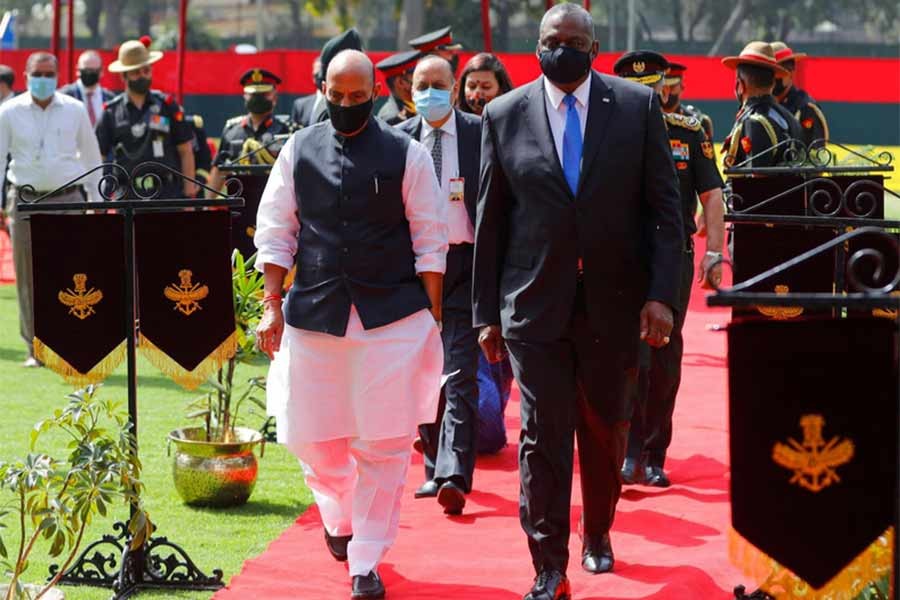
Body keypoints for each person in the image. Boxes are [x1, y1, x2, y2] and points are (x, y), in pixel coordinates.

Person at [473, 5, 683, 598]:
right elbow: (490, 223)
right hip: (532, 306)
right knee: (542, 433)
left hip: (614, 306)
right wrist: (485, 314)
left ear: (593, 48)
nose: (560, 49)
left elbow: (666, 214)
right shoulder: (503, 115)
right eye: (550, 40)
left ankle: (598, 532)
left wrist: (662, 297)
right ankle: (548, 563)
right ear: (536, 46)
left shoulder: (637, 109)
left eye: (573, 41)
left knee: (606, 426)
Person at [255, 49, 447, 600]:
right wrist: (272, 302)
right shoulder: (297, 149)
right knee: (310, 438)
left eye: (356, 97)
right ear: (322, 90)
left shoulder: (405, 154)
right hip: (315, 314)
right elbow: (275, 231)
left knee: (384, 444)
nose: (344, 105)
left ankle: (366, 558)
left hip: (391, 320)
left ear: (376, 95)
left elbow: (429, 238)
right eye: (335, 96)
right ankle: (338, 512)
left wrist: (432, 315)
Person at [613, 51, 725, 489]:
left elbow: (712, 195)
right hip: (620, 258)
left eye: (653, 85)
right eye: (635, 87)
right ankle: (627, 450)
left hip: (670, 257)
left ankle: (655, 452)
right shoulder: (604, 134)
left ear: (665, 86)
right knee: (625, 355)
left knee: (663, 355)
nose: (647, 94)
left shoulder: (687, 131)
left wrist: (715, 252)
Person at [396, 54, 482, 515]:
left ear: (454, 89)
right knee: (422, 374)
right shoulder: (397, 140)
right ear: (411, 91)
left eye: (438, 84)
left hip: (464, 265)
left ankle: (454, 475)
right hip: (413, 270)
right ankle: (433, 464)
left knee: (461, 373)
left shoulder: (479, 134)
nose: (429, 92)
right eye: (421, 84)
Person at [0, 52, 103, 368]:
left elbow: (90, 156)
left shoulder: (73, 110)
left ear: (58, 76)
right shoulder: (8, 111)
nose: (43, 79)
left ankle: (69, 342)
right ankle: (35, 347)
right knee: (28, 274)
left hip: (68, 199)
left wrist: (97, 202)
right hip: (25, 200)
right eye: (37, 73)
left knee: (71, 272)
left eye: (49, 73)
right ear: (26, 75)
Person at [95, 38, 196, 199]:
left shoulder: (168, 106)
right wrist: (97, 197)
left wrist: (190, 193)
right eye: (136, 72)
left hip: (166, 194)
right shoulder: (111, 112)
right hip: (127, 195)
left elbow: (185, 150)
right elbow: (98, 157)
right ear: (123, 76)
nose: (142, 76)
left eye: (146, 71)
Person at [206, 68, 292, 196]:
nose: (258, 99)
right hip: (239, 201)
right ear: (245, 95)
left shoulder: (288, 130)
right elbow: (219, 170)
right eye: (253, 95)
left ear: (275, 96)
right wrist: (208, 205)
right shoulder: (231, 131)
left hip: (275, 201)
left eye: (264, 94)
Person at [721, 41, 802, 169]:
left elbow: (755, 182)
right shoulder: (790, 118)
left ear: (740, 85)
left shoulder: (755, 122)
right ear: (773, 84)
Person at [771, 41, 829, 149]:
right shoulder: (765, 108)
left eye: (778, 71)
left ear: (791, 72)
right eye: (769, 72)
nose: (773, 77)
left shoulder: (805, 108)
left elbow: (814, 156)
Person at [59, 50, 115, 127]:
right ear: (78, 70)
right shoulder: (63, 97)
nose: (89, 74)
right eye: (85, 70)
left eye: (93, 71)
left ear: (101, 71)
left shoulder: (110, 99)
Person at [662, 62, 714, 141]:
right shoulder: (648, 119)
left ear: (682, 87)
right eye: (663, 87)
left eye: (671, 87)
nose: (667, 91)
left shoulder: (699, 122)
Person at [457, 52, 514, 116]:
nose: (477, 93)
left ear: (501, 89)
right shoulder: (453, 121)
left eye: (486, 87)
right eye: (472, 86)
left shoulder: (516, 120)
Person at [375, 50, 421, 125]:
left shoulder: (415, 106)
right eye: (417, 75)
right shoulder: (393, 119)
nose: (422, 79)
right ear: (401, 82)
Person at [290, 55, 322, 128]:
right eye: (316, 74)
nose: (319, 77)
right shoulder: (300, 105)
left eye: (321, 73)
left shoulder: (337, 103)